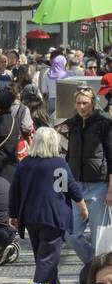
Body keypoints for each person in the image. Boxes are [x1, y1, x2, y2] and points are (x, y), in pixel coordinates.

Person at [9, 126, 86, 284]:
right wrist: (82, 205)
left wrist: (12, 214)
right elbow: (71, 185)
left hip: (31, 217)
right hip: (54, 216)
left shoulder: (25, 163)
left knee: (43, 258)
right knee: (47, 259)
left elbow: (15, 191)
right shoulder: (58, 163)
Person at [58, 86, 112, 264]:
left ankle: (99, 274)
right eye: (79, 103)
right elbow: (67, 155)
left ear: (93, 103)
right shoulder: (72, 124)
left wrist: (110, 190)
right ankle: (93, 265)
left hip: (99, 186)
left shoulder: (104, 123)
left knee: (100, 238)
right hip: (77, 187)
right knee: (71, 233)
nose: (82, 107)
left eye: (85, 103)